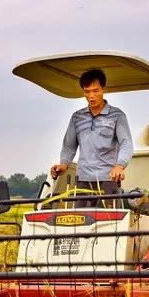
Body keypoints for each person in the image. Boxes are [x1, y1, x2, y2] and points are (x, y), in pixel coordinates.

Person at [50, 68, 133, 208]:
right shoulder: (77, 117)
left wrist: (120, 166)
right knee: (81, 225)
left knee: (111, 224)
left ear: (103, 89)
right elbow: (69, 146)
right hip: (83, 181)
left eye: (95, 91)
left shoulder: (117, 116)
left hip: (108, 180)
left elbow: (126, 144)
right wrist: (63, 165)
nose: (91, 96)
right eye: (87, 91)